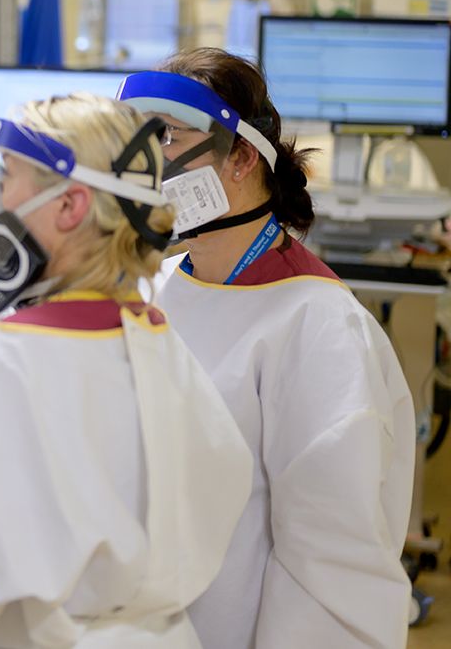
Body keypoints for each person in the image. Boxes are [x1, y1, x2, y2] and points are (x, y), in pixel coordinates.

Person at [0, 93, 254, 648]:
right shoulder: (159, 343)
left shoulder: (8, 358)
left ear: (68, 207)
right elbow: (222, 491)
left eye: (9, 176)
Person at [118, 48, 415, 648]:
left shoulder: (318, 327)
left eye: (168, 137)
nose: (145, 163)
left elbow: (333, 571)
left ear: (243, 157)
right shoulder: (155, 291)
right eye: (138, 139)